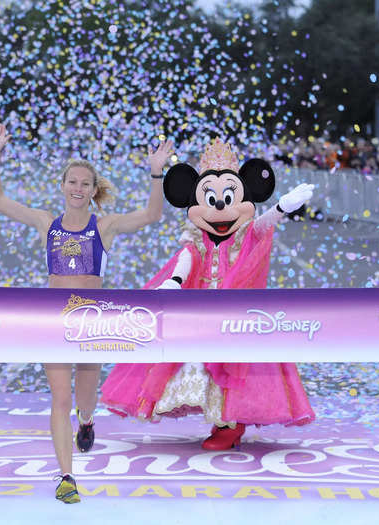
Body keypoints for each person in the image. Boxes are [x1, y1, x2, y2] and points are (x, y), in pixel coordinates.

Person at [0, 123, 172, 504]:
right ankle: (66, 476)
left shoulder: (105, 226)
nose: (78, 188)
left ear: (93, 190)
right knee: (60, 400)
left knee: (85, 400)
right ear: (63, 185)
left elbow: (152, 215)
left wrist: (157, 171)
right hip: (55, 324)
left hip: (93, 325)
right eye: (73, 181)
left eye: (86, 183)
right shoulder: (45, 224)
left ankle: (87, 421)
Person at [101, 138, 316, 451]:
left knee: (233, 366)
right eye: (211, 198)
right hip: (201, 310)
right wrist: (174, 280)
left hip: (236, 311)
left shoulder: (245, 233)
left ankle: (230, 425)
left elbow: (261, 227)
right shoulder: (196, 239)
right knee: (201, 364)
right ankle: (221, 421)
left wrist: (282, 207)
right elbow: (187, 257)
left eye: (229, 197)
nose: (219, 207)